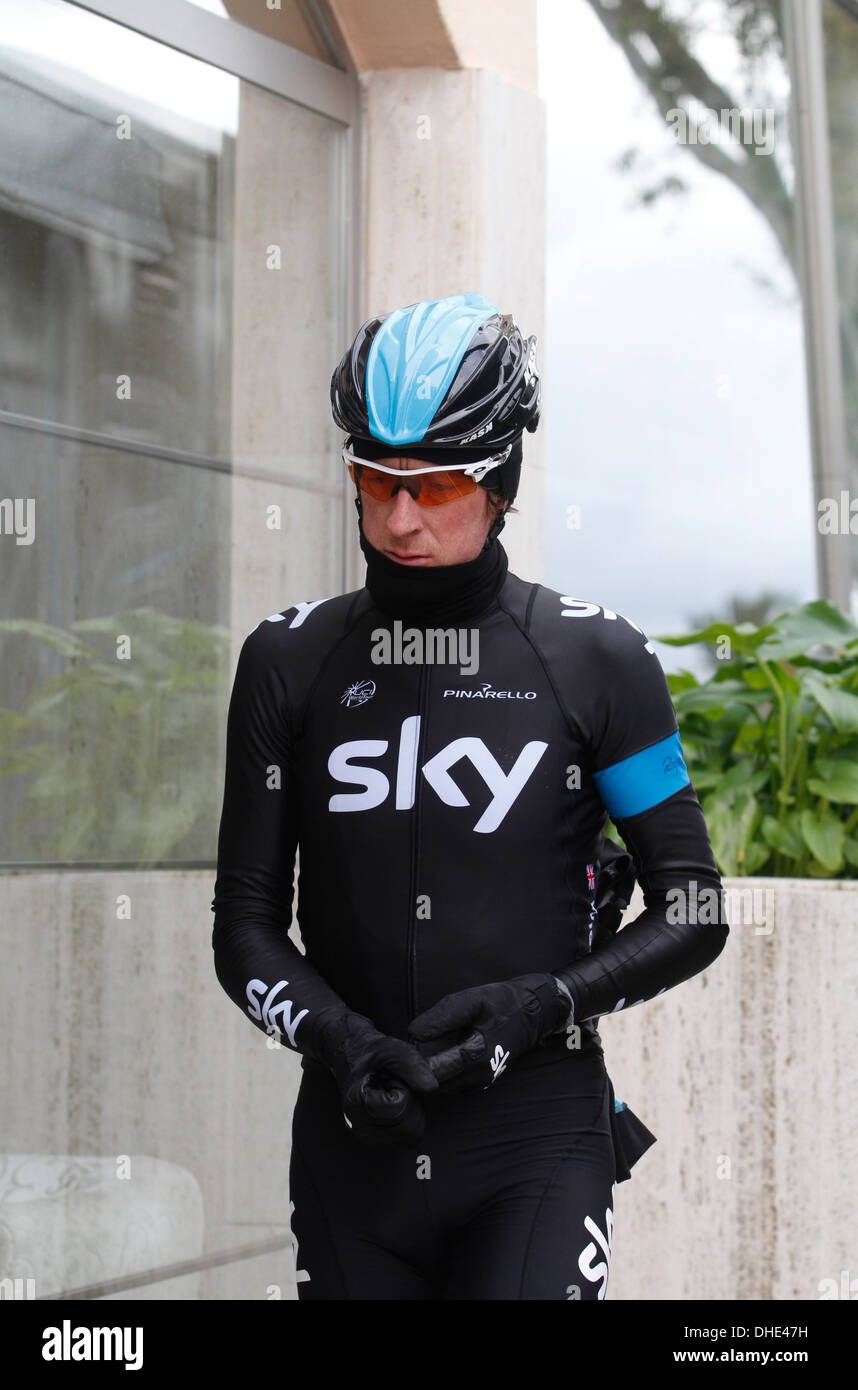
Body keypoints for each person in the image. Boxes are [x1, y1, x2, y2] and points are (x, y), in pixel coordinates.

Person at [211, 290, 729, 1300]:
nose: (400, 517)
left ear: (502, 480)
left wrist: (540, 1007)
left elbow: (694, 909)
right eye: (374, 479)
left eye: (437, 484)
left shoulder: (595, 658)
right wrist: (339, 1038)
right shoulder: (285, 659)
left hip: (532, 1141)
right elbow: (243, 930)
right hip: (354, 1131)